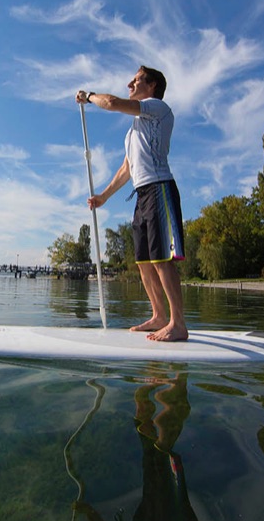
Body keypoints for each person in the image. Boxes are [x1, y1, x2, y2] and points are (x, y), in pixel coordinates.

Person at [76, 66, 187, 342]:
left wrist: (89, 96)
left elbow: (112, 103)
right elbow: (126, 168)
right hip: (142, 194)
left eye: (136, 80)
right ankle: (159, 316)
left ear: (151, 86)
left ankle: (178, 323)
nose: (129, 83)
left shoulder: (157, 109)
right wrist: (103, 196)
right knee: (143, 261)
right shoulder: (133, 132)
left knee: (162, 259)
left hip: (160, 188)